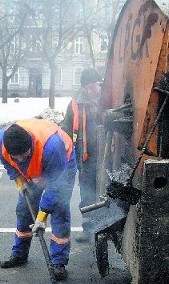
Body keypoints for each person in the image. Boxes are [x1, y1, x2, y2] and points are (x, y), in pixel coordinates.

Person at [0, 119, 77, 282]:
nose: (19, 160)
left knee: (59, 210)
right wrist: (19, 180)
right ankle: (19, 254)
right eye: (15, 157)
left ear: (31, 146)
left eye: (23, 155)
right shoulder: (1, 142)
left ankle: (58, 263)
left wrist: (41, 218)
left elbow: (55, 188)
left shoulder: (53, 147)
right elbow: (9, 164)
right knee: (24, 209)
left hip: (62, 165)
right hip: (36, 168)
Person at [61, 67, 102, 242]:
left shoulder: (111, 97)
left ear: (100, 83)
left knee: (106, 193)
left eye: (93, 86)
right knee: (88, 195)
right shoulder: (75, 105)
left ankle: (105, 229)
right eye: (86, 87)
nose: (90, 90)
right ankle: (89, 229)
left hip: (109, 157)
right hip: (87, 158)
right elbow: (67, 131)